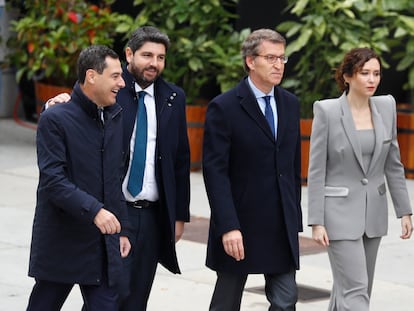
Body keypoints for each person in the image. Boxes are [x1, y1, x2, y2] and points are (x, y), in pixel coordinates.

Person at [46, 26, 191, 311]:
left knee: (137, 298)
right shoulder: (111, 88)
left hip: (152, 215)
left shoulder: (174, 97)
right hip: (112, 210)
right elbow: (78, 106)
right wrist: (56, 101)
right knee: (108, 298)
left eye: (161, 57)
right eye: (147, 55)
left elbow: (180, 160)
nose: (154, 63)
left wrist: (179, 215)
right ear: (129, 54)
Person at [202, 28, 303, 311]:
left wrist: (294, 218)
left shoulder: (290, 104)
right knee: (227, 302)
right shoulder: (224, 107)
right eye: (270, 57)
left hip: (280, 223)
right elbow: (215, 172)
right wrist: (228, 226)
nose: (278, 65)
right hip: (240, 223)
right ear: (250, 61)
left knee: (286, 302)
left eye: (282, 58)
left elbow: (292, 167)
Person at [307, 47, 413, 310]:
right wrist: (317, 221)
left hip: (373, 214)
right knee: (355, 291)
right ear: (347, 77)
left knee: (354, 289)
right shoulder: (327, 111)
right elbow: (317, 170)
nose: (371, 80)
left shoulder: (386, 107)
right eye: (364, 73)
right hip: (338, 215)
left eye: (376, 74)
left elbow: (393, 163)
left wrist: (404, 211)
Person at [26, 45, 130, 311]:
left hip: (102, 243)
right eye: (115, 76)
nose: (122, 82)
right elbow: (53, 181)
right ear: (92, 76)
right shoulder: (55, 118)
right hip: (62, 239)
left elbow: (115, 179)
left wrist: (121, 229)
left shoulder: (116, 117)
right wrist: (95, 211)